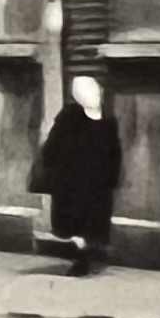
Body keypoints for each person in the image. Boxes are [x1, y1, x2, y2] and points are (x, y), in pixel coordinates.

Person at [29, 70, 123, 276]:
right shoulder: (70, 115)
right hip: (73, 180)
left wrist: (111, 177)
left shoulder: (108, 120)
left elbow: (114, 152)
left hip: (97, 182)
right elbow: (52, 147)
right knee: (74, 222)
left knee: (91, 222)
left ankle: (85, 254)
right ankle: (82, 255)